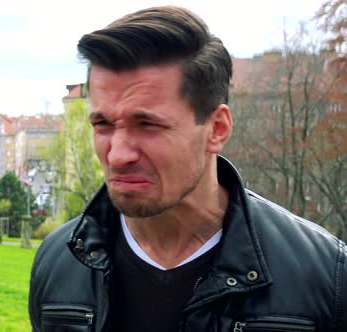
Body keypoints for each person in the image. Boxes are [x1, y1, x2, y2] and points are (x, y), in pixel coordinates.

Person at [29, 6, 347, 332]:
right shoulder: (59, 262)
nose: (119, 154)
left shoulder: (325, 276)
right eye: (103, 124)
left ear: (217, 129)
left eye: (147, 124)